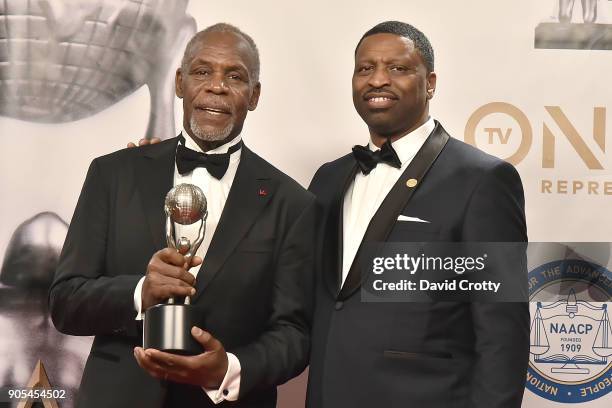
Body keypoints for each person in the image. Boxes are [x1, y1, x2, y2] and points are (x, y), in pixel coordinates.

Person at [49, 23, 315, 408]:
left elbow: (293, 334)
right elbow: (65, 303)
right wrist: (141, 291)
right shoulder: (113, 174)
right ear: (179, 82)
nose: (216, 86)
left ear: (254, 95)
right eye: (202, 72)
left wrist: (228, 369)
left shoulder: (292, 203)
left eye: (235, 76)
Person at [306, 21, 529, 408]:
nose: (377, 80)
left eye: (398, 68)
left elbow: (502, 337)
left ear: (430, 83)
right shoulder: (327, 179)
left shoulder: (483, 180)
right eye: (365, 68)